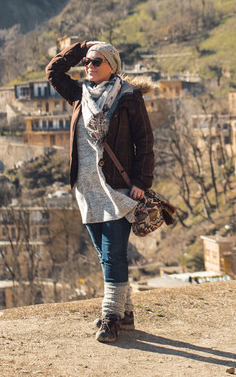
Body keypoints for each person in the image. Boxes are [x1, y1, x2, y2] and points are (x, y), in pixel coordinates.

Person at [46, 40, 154, 344]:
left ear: (112, 66)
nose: (88, 66)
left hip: (118, 188)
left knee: (114, 253)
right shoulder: (79, 95)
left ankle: (110, 318)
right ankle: (127, 311)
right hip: (87, 187)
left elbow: (145, 144)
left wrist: (141, 183)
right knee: (105, 255)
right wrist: (81, 47)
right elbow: (53, 72)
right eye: (87, 62)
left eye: (96, 61)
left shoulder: (129, 97)